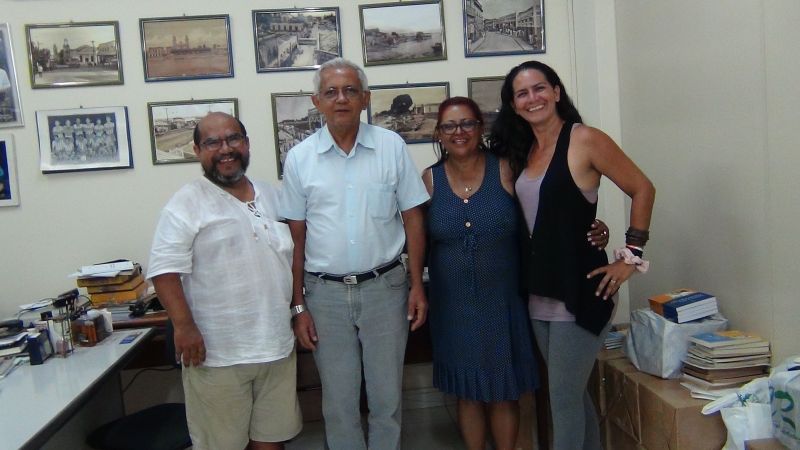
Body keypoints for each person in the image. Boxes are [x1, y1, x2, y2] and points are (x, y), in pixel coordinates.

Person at [423, 97, 609, 450]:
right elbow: (418, 237)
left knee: (503, 391)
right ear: (439, 133)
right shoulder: (429, 180)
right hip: (453, 304)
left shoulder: (507, 169)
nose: (458, 132)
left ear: (481, 129)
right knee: (467, 391)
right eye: (449, 126)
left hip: (504, 301)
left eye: (467, 124)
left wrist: (593, 227)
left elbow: (549, 215)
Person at [489, 61, 655, 449]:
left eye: (540, 88)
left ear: (557, 92)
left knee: (562, 400)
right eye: (522, 93)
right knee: (572, 397)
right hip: (538, 291)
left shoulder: (585, 139)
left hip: (580, 292)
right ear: (513, 105)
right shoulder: (524, 151)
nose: (533, 98)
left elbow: (643, 188)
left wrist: (630, 255)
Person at [279, 57, 429, 450]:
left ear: (365, 98)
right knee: (339, 403)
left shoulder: (391, 147)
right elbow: (296, 237)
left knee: (387, 400)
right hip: (323, 296)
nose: (340, 99)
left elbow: (414, 219)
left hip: (386, 288)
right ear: (317, 102)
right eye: (330, 92)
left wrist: (417, 286)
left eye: (349, 91)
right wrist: (298, 307)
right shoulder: (299, 159)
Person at [147, 112, 302, 450]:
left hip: (276, 346)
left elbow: (289, 260)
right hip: (217, 354)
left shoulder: (271, 195)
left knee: (271, 440)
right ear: (197, 150)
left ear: (246, 144)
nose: (225, 149)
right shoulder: (186, 203)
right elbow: (163, 272)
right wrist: (184, 328)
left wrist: (299, 309)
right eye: (212, 142)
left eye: (233, 139)